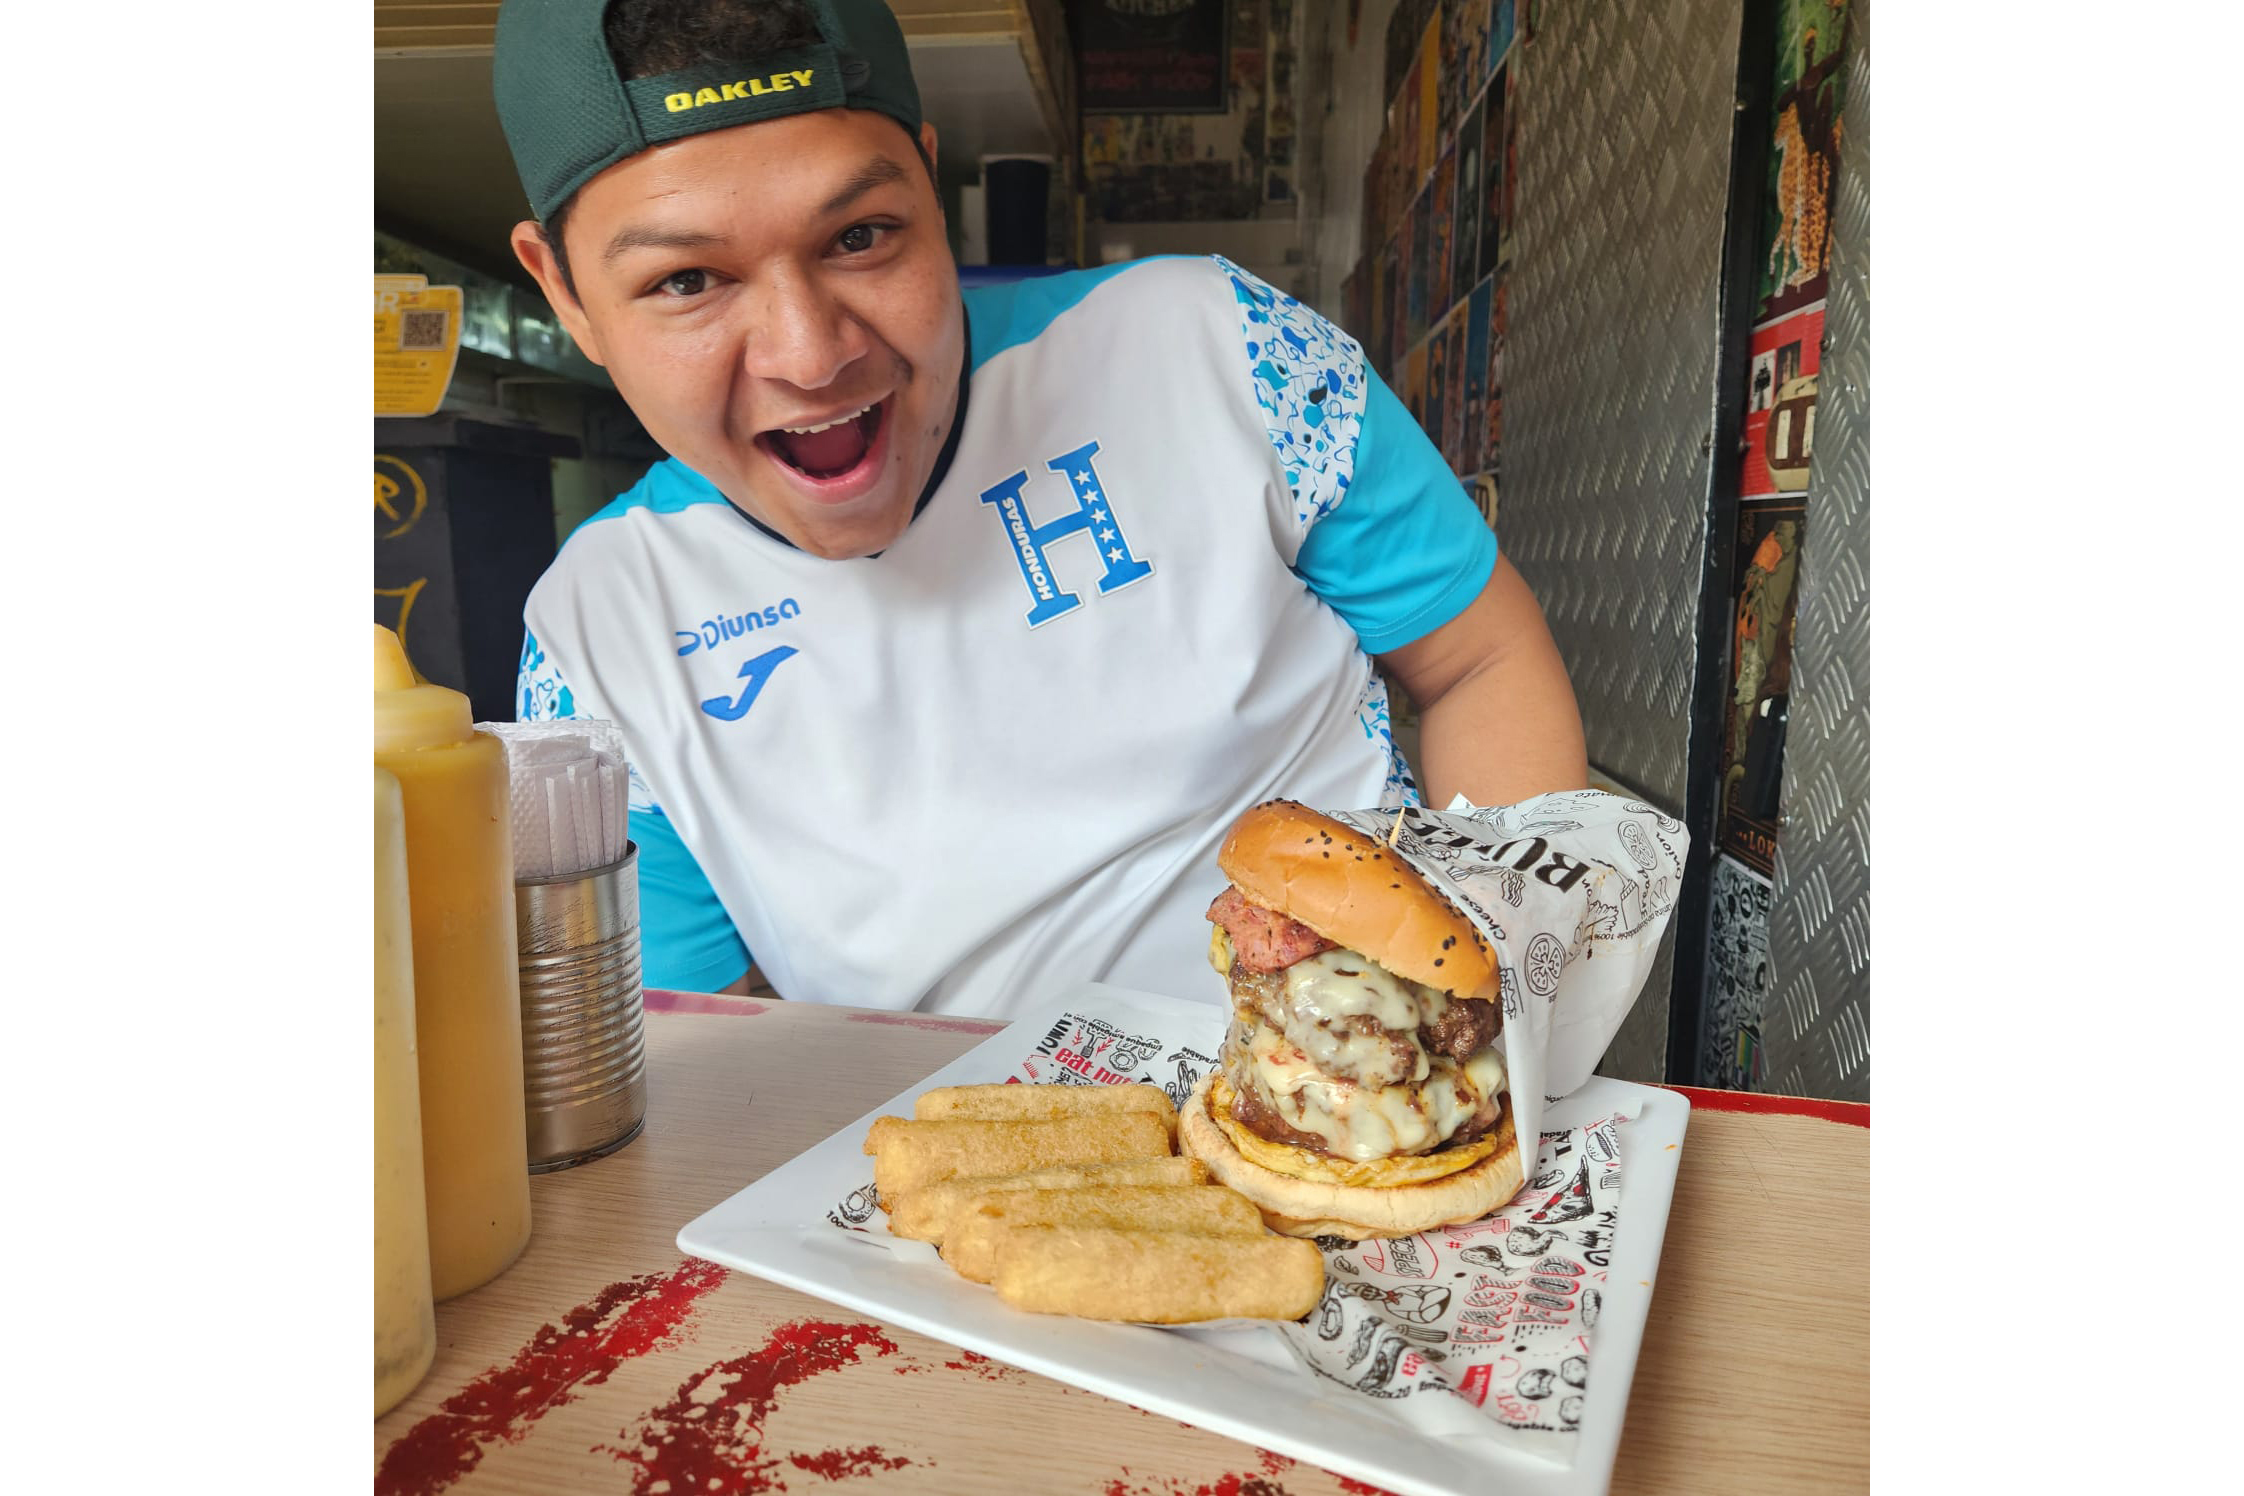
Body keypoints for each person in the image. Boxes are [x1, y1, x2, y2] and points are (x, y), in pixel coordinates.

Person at [495, 0, 1587, 1016]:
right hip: (947, 1190)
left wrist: (1494, 1011)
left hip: (1356, 1063)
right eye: (686, 280)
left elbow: (1476, 661)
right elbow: (708, 1046)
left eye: (862, 235)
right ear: (565, 295)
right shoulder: (596, 641)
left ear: (930, 185)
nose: (812, 353)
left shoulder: (1223, 347)